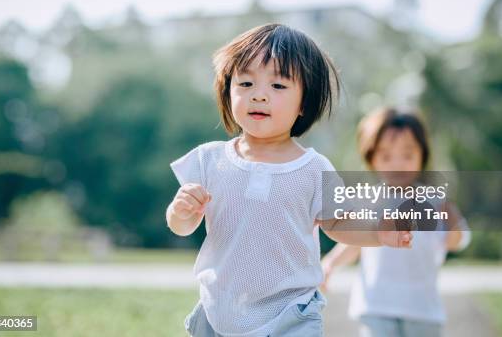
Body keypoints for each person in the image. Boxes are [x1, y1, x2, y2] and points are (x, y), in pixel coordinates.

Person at [166, 24, 412, 337]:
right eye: (245, 82)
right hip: (220, 311)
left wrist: (380, 233)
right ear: (228, 91)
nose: (258, 94)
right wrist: (181, 212)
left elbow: (339, 223)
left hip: (290, 314)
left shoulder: (312, 168)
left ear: (304, 104)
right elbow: (181, 225)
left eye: (278, 86)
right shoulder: (208, 160)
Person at [321, 108, 471, 337]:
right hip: (376, 307)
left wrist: (453, 223)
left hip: (422, 310)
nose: (397, 164)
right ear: (371, 157)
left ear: (422, 155)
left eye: (407, 155)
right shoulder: (369, 201)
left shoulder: (435, 202)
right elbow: (354, 244)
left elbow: (456, 241)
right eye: (386, 156)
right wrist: (330, 264)